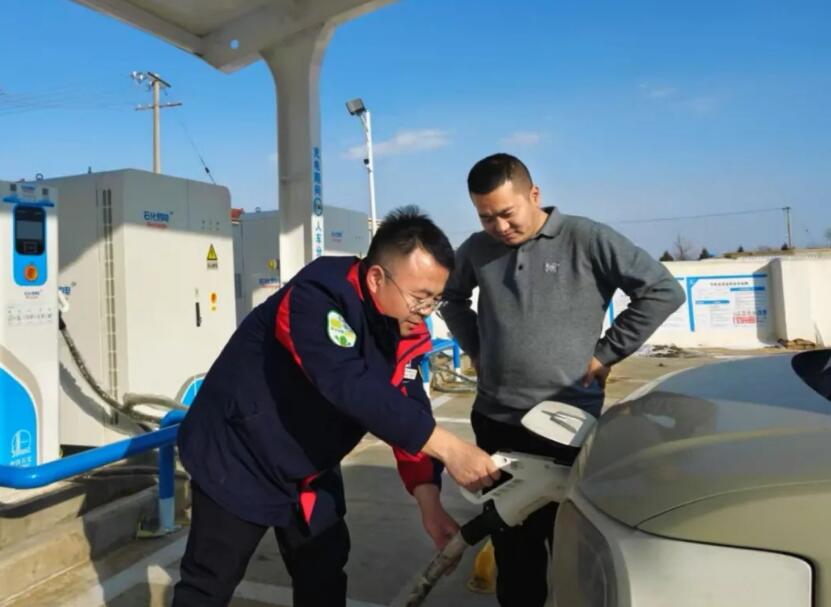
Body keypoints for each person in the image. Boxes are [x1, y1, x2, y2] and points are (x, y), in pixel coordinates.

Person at [173, 206, 500, 607]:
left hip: (310, 463)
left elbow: (406, 406)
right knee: (210, 582)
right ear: (377, 278)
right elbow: (348, 385)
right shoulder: (315, 298)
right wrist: (451, 448)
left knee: (324, 568)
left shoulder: (406, 326)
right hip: (241, 454)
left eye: (436, 299)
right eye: (419, 298)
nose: (426, 312)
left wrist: (429, 500)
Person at [441, 153, 686, 607]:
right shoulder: (476, 249)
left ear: (533, 195)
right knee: (514, 545)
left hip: (566, 425)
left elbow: (661, 291)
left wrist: (605, 354)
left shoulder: (585, 238)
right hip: (496, 421)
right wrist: (478, 349)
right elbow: (451, 298)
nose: (499, 226)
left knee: (572, 544)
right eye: (486, 217)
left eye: (507, 213)